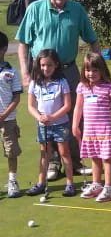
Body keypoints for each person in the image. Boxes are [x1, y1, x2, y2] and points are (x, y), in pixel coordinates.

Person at [15, 0, 101, 179]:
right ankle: (53, 162)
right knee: (46, 115)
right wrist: (25, 73)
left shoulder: (77, 10)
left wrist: (99, 70)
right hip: (42, 72)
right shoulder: (35, 9)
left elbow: (92, 40)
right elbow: (23, 44)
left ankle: (75, 160)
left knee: (74, 115)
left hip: (68, 69)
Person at [25, 49, 76, 197]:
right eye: (42, 65)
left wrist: (52, 117)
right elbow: (30, 106)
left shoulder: (62, 82)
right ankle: (40, 183)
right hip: (43, 125)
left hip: (60, 124)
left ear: (56, 65)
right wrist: (39, 117)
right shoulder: (35, 83)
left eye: (49, 65)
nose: (45, 68)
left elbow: (67, 105)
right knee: (44, 154)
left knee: (64, 153)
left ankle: (70, 184)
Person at [72, 53, 111, 202]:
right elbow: (78, 107)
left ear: (102, 70)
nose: (91, 74)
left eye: (95, 70)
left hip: (105, 129)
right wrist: (75, 125)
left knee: (106, 158)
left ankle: (109, 187)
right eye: (88, 70)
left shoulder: (109, 86)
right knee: (94, 157)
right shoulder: (82, 86)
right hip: (89, 130)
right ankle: (96, 184)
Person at [0, 32, 23, 198]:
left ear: (4, 49)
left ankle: (12, 181)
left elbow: (16, 97)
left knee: (11, 151)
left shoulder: (12, 72)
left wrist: (3, 114)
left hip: (7, 119)